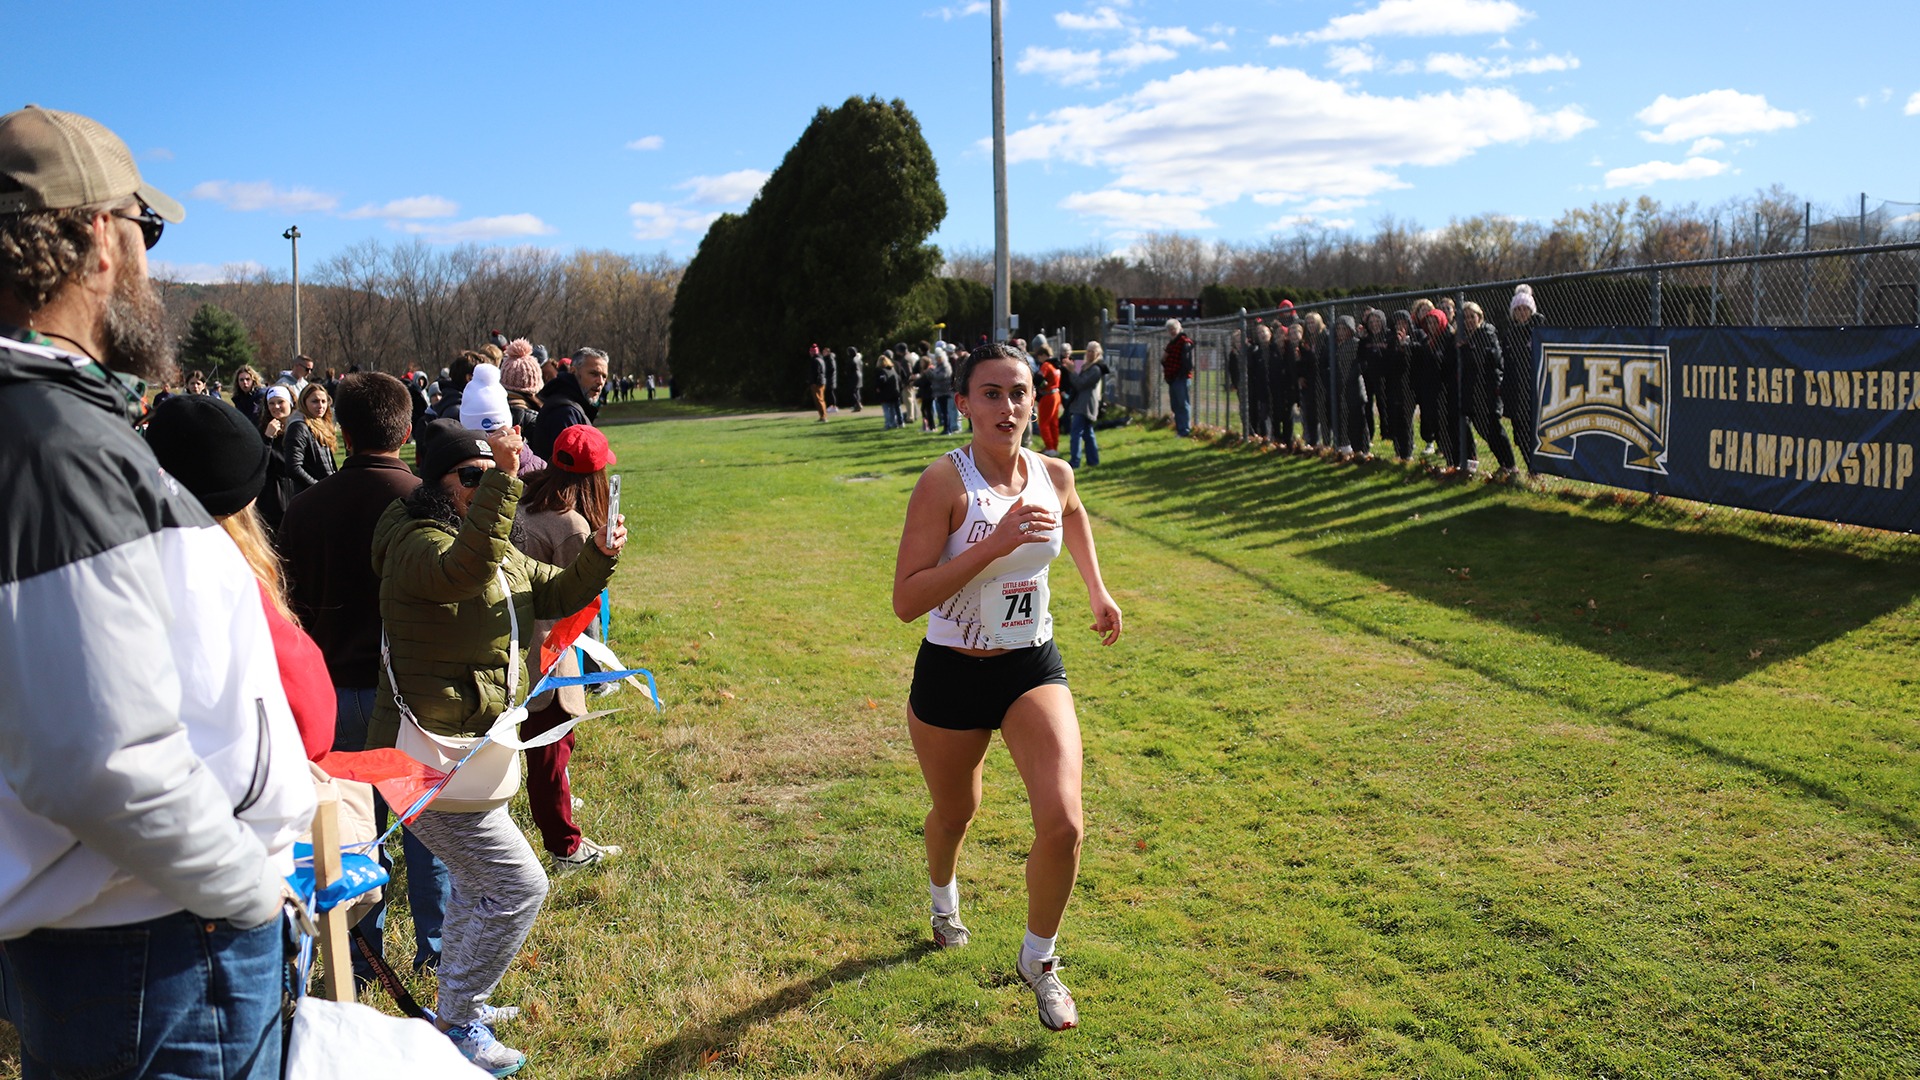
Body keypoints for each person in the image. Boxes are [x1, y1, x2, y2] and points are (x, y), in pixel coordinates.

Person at [0, 103, 314, 1080]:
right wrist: (247, 890)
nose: (150, 264)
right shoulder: (54, 440)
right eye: (147, 232)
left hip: (132, 943)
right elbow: (101, 762)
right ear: (97, 236)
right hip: (158, 952)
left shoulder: (55, 425)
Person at [370, 419, 623, 1074]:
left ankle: (459, 1004)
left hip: (466, 751)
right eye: (473, 478)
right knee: (517, 885)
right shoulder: (415, 543)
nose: (485, 487)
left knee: (473, 885)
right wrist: (506, 480)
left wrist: (598, 552)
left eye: (490, 476)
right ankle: (456, 1023)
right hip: (416, 759)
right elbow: (463, 572)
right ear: (441, 483)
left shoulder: (488, 540)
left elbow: (555, 587)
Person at [892, 343, 1122, 1033]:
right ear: (962, 403)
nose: (1007, 406)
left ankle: (1040, 962)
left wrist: (1096, 589)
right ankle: (943, 901)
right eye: (990, 393)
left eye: (1018, 392)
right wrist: (993, 543)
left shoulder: (1053, 471)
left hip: (1030, 665)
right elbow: (906, 600)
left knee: (1065, 823)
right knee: (956, 813)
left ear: (1035, 399)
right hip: (953, 671)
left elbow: (1073, 512)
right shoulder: (944, 483)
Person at [280, 371, 451, 979]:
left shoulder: (303, 509)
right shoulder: (426, 504)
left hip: (329, 691)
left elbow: (290, 607)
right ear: (407, 431)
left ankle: (357, 954)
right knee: (427, 832)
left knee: (351, 828)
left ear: (341, 432)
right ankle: (436, 950)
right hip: (406, 694)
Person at [145, 395, 335, 761]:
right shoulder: (224, 576)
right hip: (228, 791)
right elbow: (312, 719)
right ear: (245, 502)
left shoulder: (115, 563)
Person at [513, 424, 624, 871]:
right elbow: (579, 601)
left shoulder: (520, 499)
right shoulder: (573, 525)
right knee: (551, 748)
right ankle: (565, 846)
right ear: (595, 479)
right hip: (546, 656)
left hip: (510, 646)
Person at [1455, 301, 1518, 479]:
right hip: (1472, 392)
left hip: (1488, 391)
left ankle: (1512, 466)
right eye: (1465, 318)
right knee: (1483, 430)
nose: (1468, 320)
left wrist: (1467, 348)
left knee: (1494, 429)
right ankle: (1504, 466)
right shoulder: (1465, 338)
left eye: (1472, 317)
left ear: (1479, 317)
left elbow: (1486, 360)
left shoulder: (1487, 333)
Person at [529, 346, 607, 460]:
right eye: (593, 374)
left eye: (604, 376)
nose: (600, 381)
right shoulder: (565, 412)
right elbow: (568, 466)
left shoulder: (572, 405)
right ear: (573, 371)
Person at [1500, 284, 1541, 471]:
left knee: (1535, 431)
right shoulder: (1510, 334)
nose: (1522, 312)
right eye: (1518, 309)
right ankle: (1531, 467)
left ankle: (1537, 468)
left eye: (1525, 309)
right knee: (1520, 434)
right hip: (1515, 389)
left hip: (1535, 387)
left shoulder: (1539, 329)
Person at [287, 380, 340, 496]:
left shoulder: (320, 423)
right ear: (304, 402)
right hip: (310, 495)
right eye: (315, 401)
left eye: (323, 401)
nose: (320, 406)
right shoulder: (298, 427)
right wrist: (318, 487)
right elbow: (294, 467)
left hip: (326, 490)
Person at [257, 383, 297, 528]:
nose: (276, 407)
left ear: (291, 403)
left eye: (281, 402)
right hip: (273, 505)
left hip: (298, 498)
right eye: (271, 403)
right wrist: (267, 439)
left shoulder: (300, 429)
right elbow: (259, 465)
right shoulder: (263, 431)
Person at [1065, 341, 1107, 469]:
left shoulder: (1095, 369)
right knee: (1088, 434)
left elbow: (1080, 384)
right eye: (1088, 351)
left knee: (1076, 433)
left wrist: (1072, 372)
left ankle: (1075, 462)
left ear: (1098, 353)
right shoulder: (1087, 366)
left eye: (1092, 351)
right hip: (1081, 404)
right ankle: (1093, 461)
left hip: (1085, 406)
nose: (1089, 354)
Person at [1162, 319, 1194, 437]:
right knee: (1175, 405)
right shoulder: (1171, 344)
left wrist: (1181, 374)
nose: (1172, 332)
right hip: (1172, 379)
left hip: (1181, 378)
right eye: (1170, 330)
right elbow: (1164, 360)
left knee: (1182, 404)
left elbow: (1187, 364)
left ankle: (1185, 430)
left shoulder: (1184, 342)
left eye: (1174, 329)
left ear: (1179, 328)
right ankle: (1180, 429)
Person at [1035, 344, 1062, 456]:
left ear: (1042, 355)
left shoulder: (1046, 365)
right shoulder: (1056, 365)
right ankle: (1054, 446)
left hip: (1048, 395)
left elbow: (1039, 379)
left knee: (1044, 423)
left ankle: (1050, 447)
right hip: (1056, 394)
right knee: (1053, 422)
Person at [876, 354, 904, 430]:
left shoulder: (882, 371)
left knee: (886, 410)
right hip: (895, 392)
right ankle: (895, 423)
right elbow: (899, 379)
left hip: (886, 394)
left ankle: (888, 424)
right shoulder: (892, 369)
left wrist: (878, 387)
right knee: (893, 409)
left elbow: (882, 381)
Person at [806, 344, 828, 421]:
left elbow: (815, 373)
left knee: (818, 400)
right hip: (822, 381)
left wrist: (813, 382)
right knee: (821, 399)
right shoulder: (821, 359)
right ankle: (823, 415)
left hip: (817, 382)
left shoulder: (814, 360)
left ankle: (823, 416)